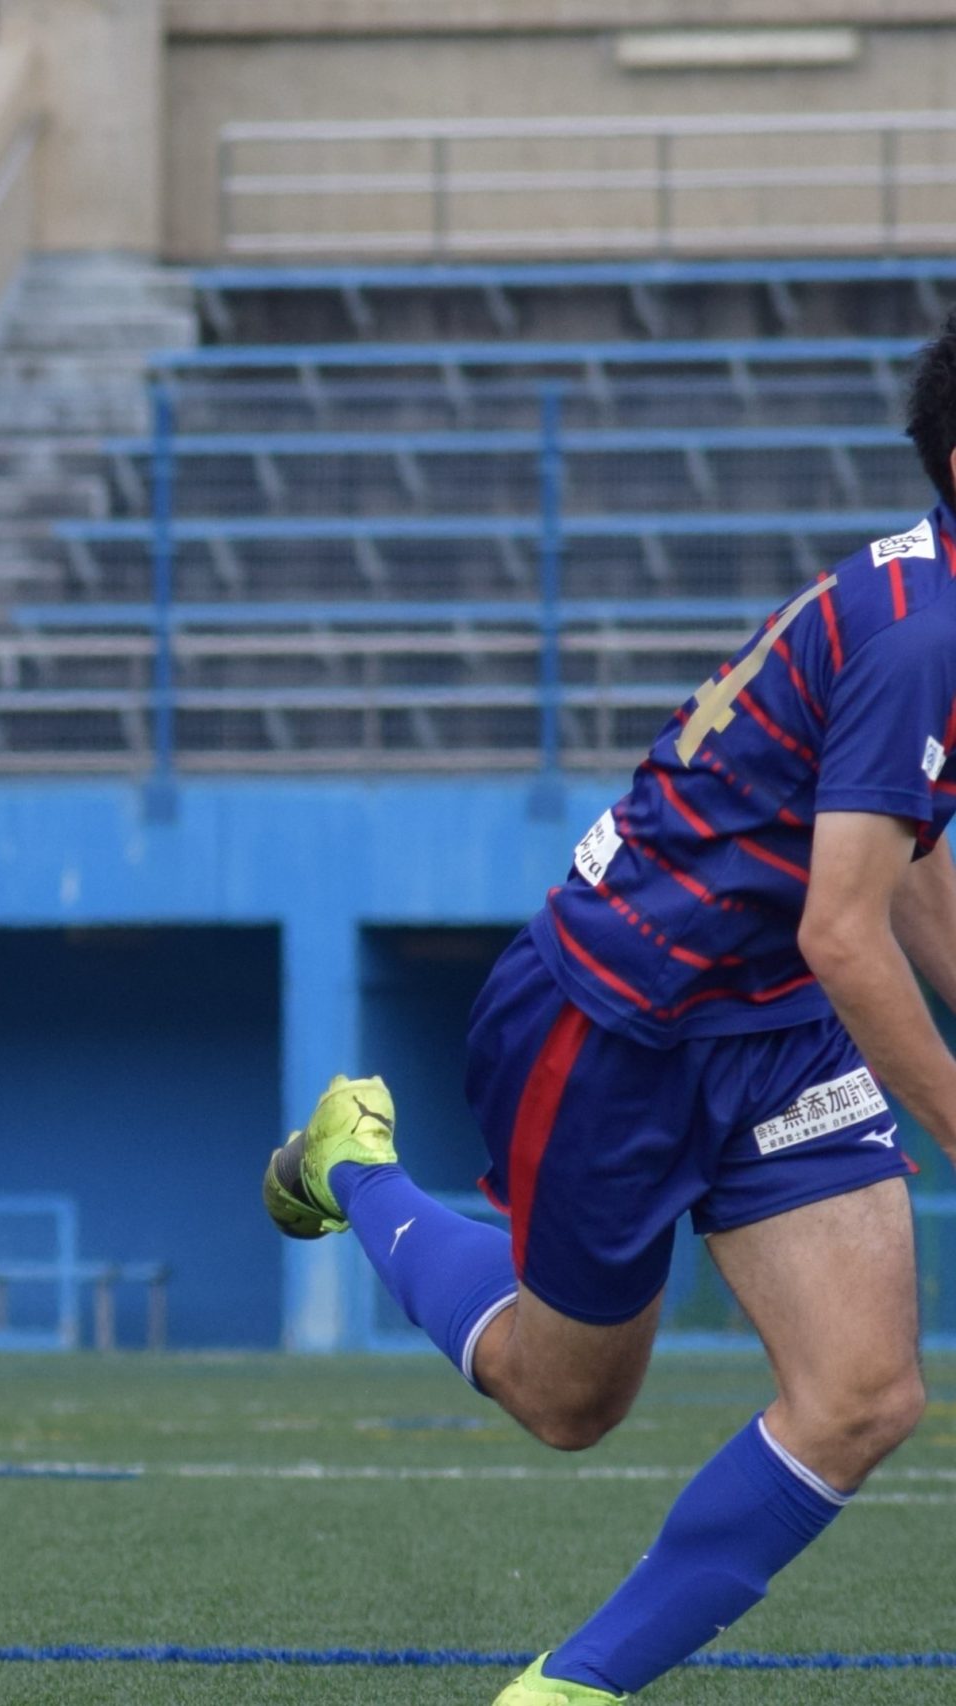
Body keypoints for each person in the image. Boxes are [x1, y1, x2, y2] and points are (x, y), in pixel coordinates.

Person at [259, 321, 956, 1703]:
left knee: (865, 1391)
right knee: (566, 1397)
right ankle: (353, 1162)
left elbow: (905, 859)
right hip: (615, 1014)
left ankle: (566, 1688)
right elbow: (843, 926)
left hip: (776, 1024)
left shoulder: (928, 601)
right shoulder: (923, 630)